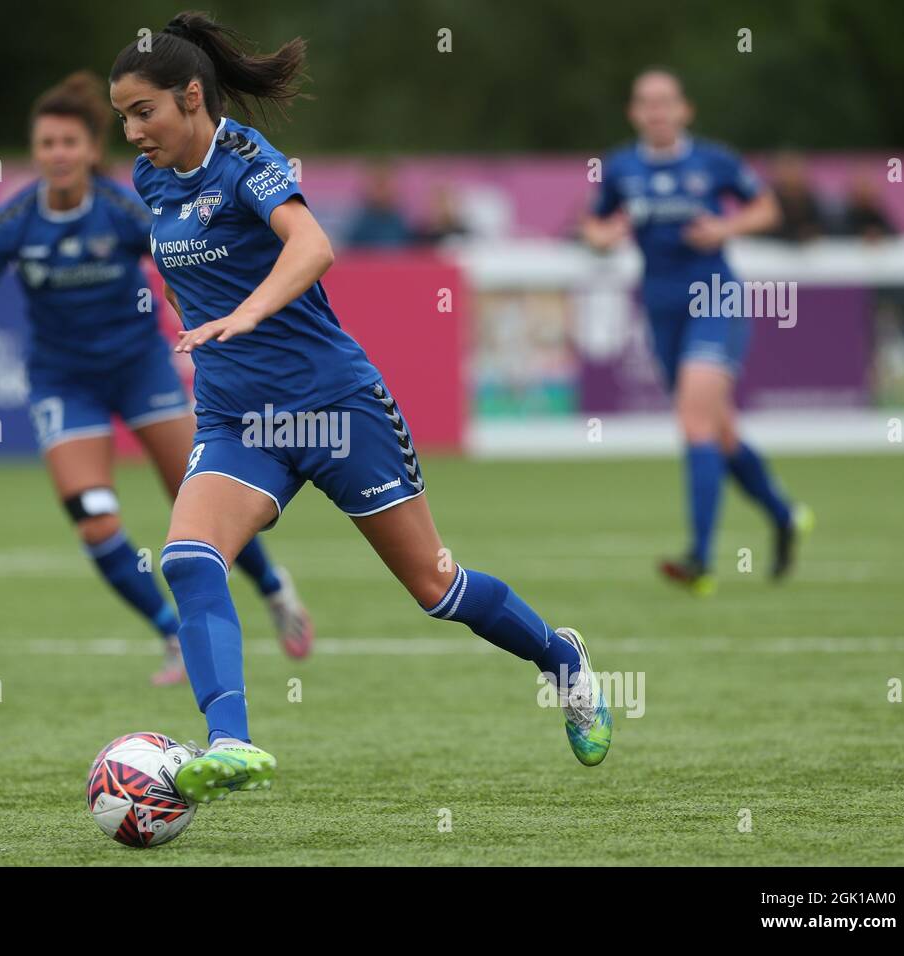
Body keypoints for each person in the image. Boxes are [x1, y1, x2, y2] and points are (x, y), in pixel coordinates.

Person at [110, 11, 612, 803]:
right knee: (189, 558)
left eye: (144, 112)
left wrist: (248, 312)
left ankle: (564, 661)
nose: (133, 131)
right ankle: (231, 742)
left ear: (192, 98)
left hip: (334, 406)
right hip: (241, 421)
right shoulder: (150, 182)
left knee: (436, 588)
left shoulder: (245, 157)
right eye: (123, 117)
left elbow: (313, 247)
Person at [0, 71, 313, 686]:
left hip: (140, 370)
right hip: (63, 381)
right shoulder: (13, 221)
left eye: (69, 143)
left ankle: (273, 588)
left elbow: (182, 259)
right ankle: (169, 632)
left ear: (91, 150)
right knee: (95, 517)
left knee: (199, 496)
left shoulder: (124, 211)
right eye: (46, 144)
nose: (58, 155)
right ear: (35, 152)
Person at [582, 68, 812, 595]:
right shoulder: (621, 168)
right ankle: (783, 515)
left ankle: (701, 560)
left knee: (693, 421)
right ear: (634, 113)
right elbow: (594, 225)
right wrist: (604, 236)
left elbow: (767, 208)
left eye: (666, 102)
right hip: (661, 309)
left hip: (716, 298)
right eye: (646, 103)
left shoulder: (714, 160)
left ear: (685, 110)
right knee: (718, 430)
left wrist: (725, 228)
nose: (657, 111)